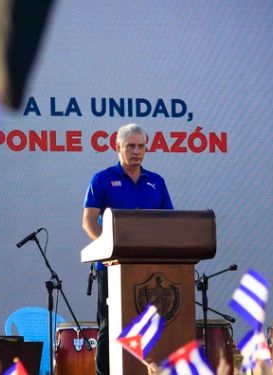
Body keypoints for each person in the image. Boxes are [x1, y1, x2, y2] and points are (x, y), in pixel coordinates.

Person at [82, 123, 173, 374]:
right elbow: (89, 221)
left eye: (141, 146)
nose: (136, 151)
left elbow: (170, 223)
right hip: (111, 267)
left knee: (150, 324)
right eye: (130, 146)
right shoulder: (102, 179)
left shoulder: (156, 182)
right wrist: (110, 249)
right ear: (117, 147)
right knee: (110, 326)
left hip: (150, 269)